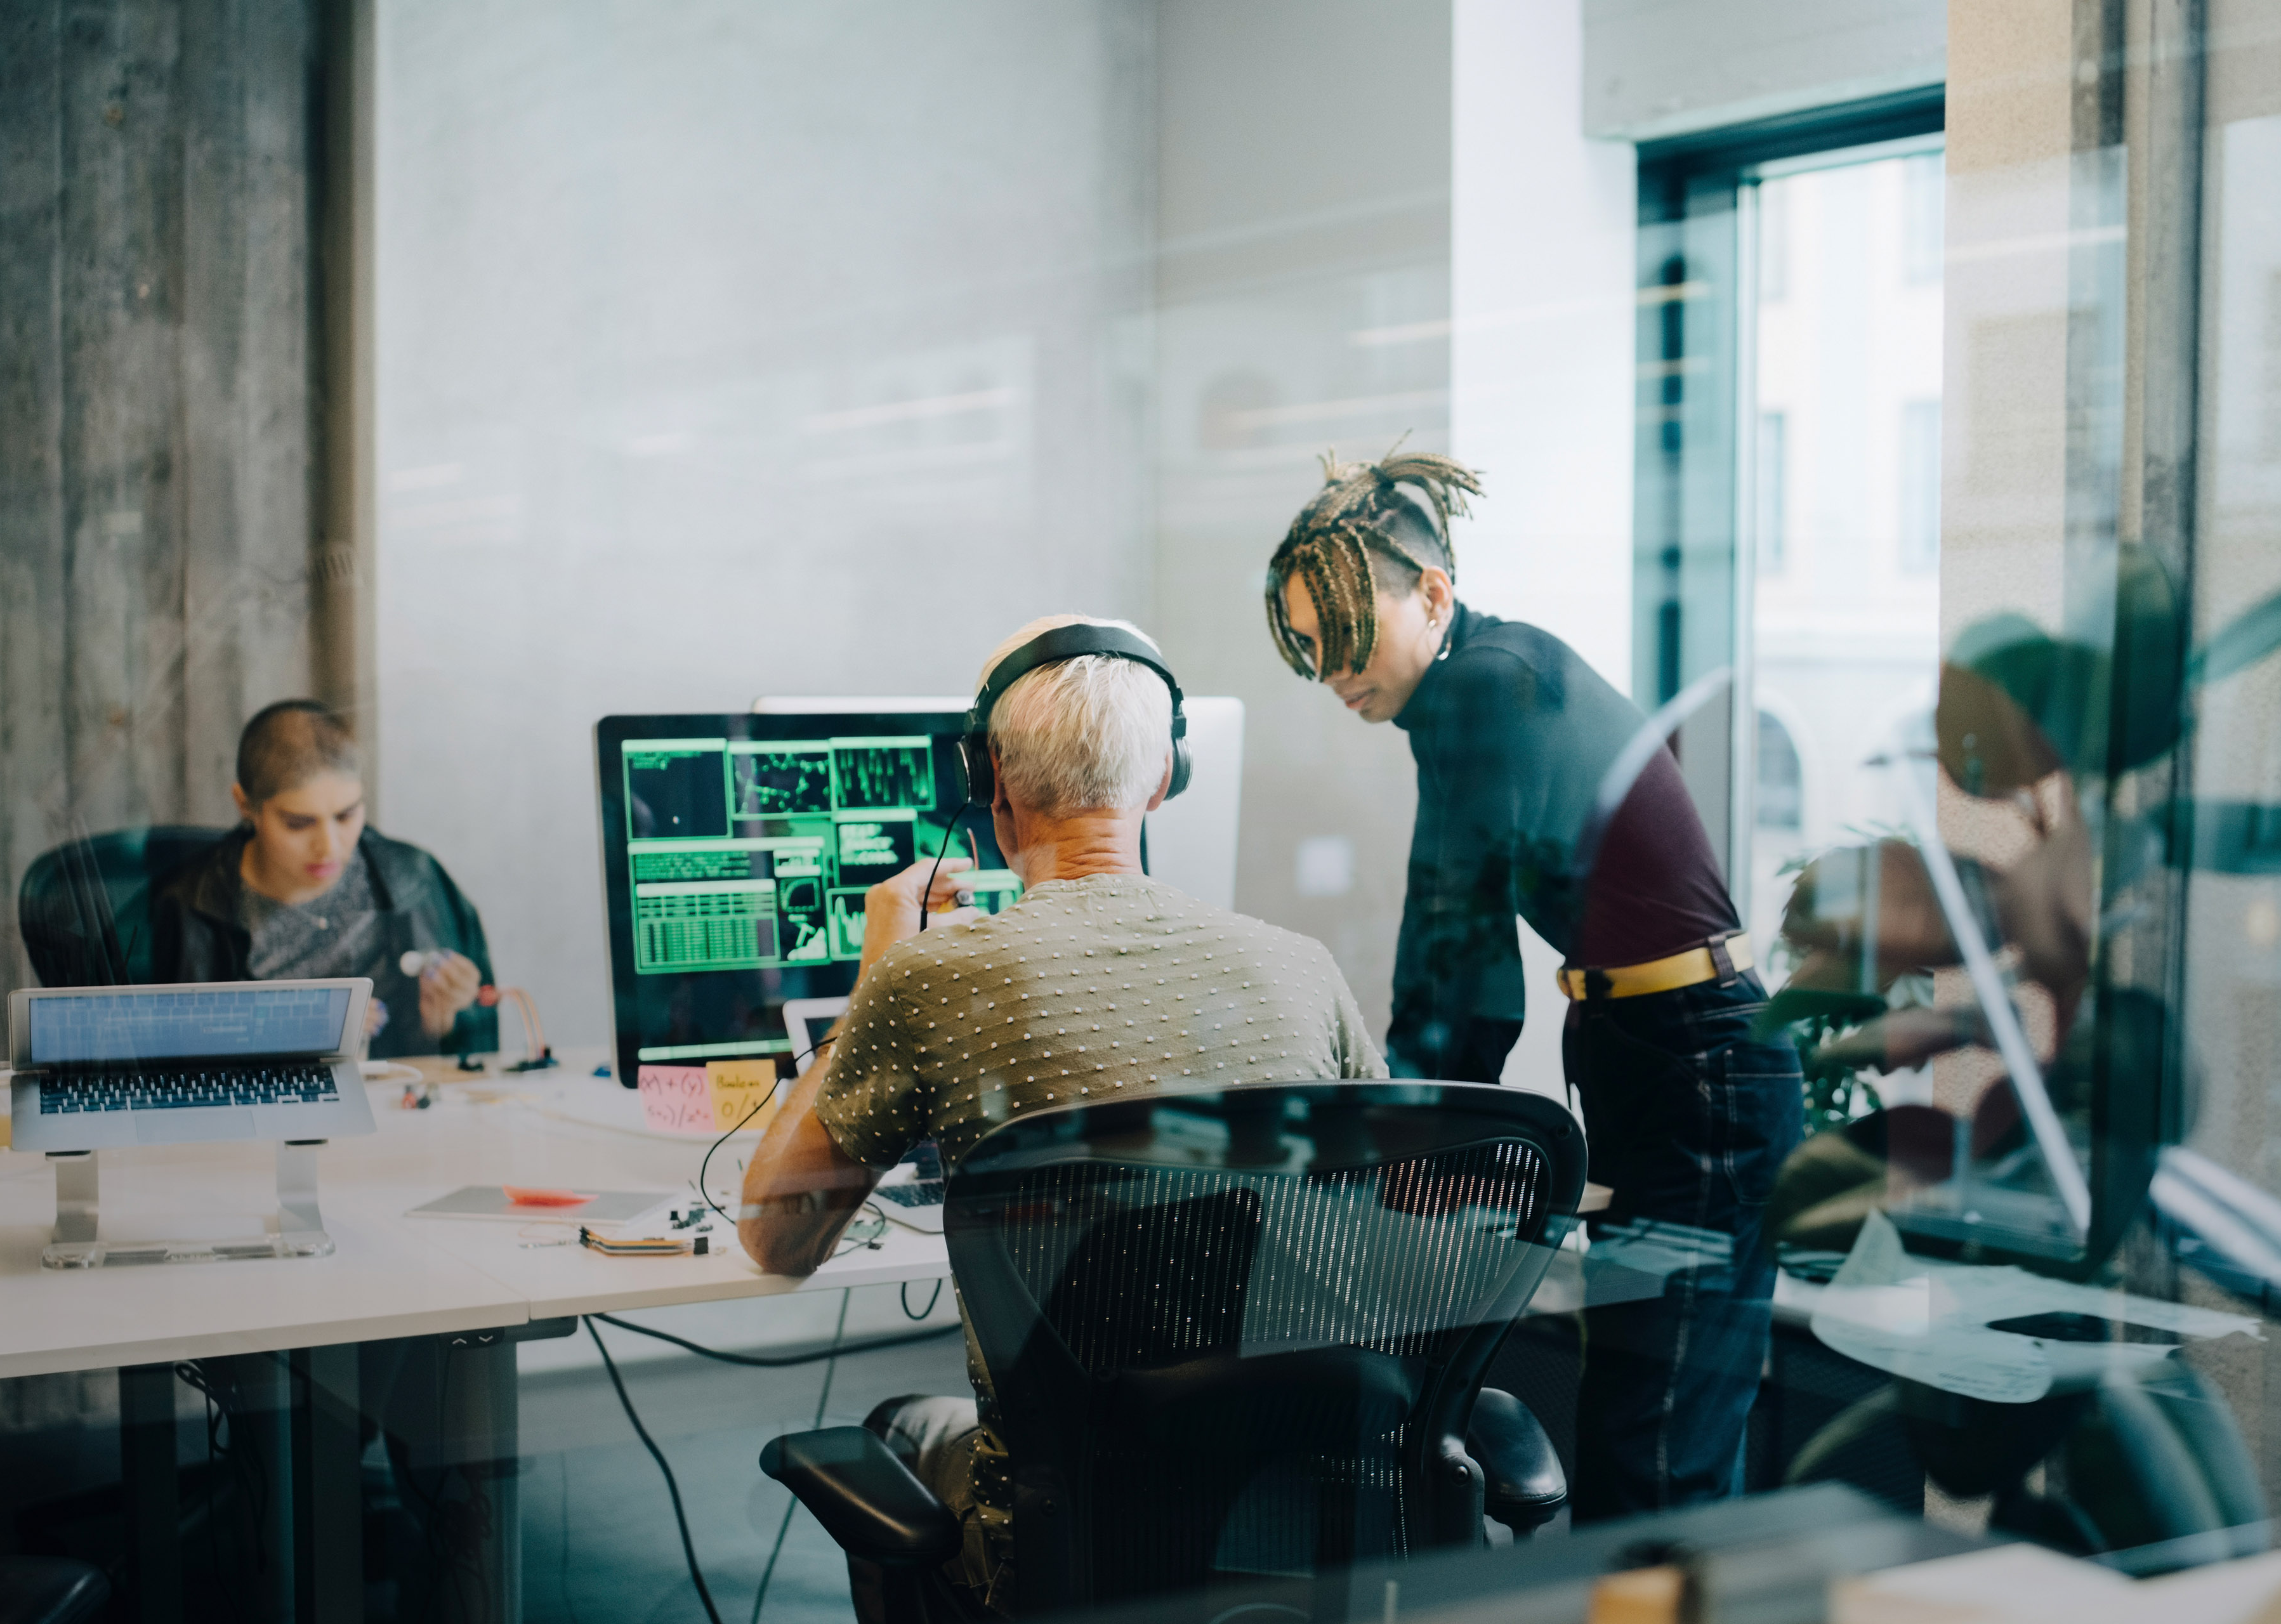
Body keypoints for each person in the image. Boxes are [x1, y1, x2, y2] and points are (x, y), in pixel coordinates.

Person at [737, 613, 1385, 1613]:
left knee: (904, 1421)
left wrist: (876, 980)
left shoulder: (929, 979)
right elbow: (1393, 1219)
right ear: (1166, 778)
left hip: (1066, 1535)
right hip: (1313, 1513)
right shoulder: (1304, 969)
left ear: (986, 780)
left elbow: (777, 1236)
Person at [1262, 451, 1801, 1520]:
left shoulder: (1482, 686)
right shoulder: (1504, 670)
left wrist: (1407, 1139)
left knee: (1656, 1456)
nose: (1334, 674)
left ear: (1432, 593)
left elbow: (1458, 953)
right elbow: (1463, 952)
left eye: (1346, 636)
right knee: (1663, 1434)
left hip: (1699, 1069)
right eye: (1311, 651)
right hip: (1672, 1057)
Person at [154, 698, 497, 1060]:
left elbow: (474, 1061)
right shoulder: (185, 908)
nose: (329, 848)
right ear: (246, 805)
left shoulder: (415, 880)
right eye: (299, 823)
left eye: (346, 816)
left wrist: (443, 1025)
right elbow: (155, 1063)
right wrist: (274, 1033)